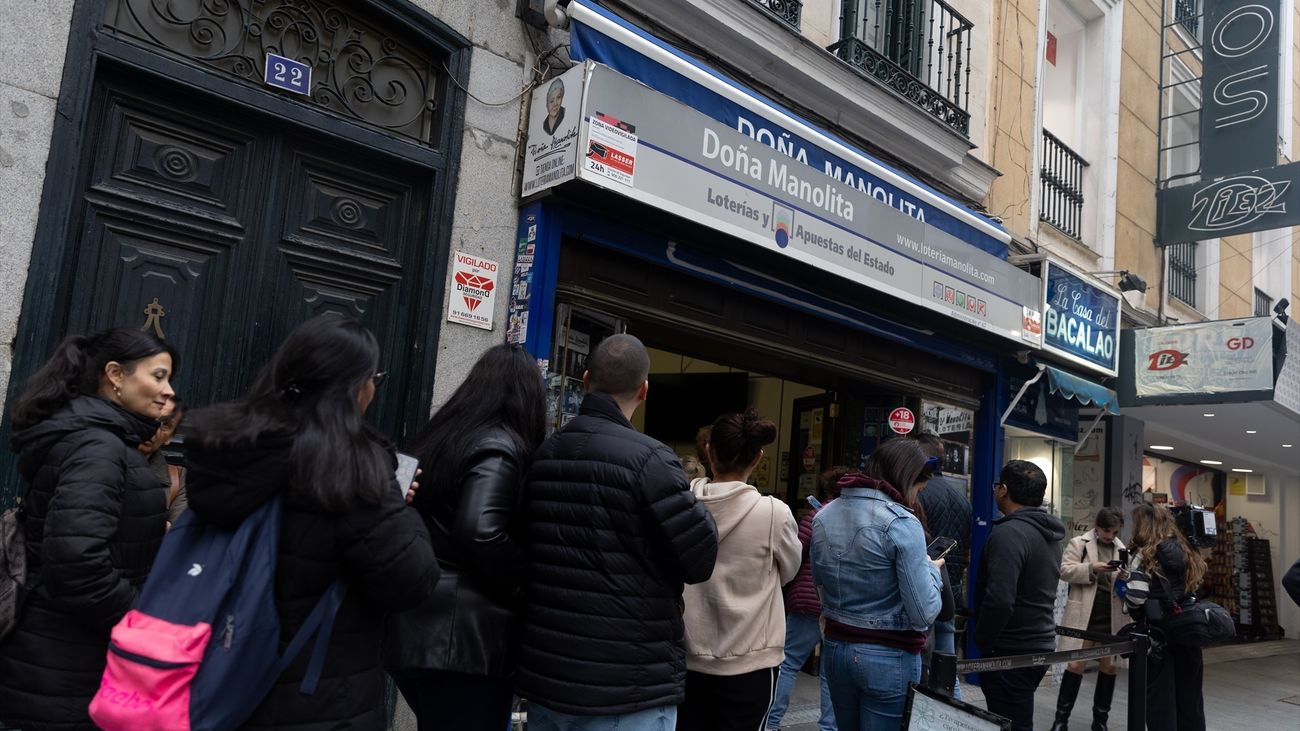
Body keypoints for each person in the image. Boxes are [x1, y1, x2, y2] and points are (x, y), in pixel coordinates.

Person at [184, 313, 439, 730]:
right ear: (354, 387)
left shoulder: (227, 447)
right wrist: (397, 504)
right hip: (320, 697)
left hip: (219, 678)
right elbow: (413, 578)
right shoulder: (353, 469)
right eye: (373, 378)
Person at [515, 334, 719, 731]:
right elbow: (699, 559)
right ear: (644, 390)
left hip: (549, 675)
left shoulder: (545, 453)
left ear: (585, 380)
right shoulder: (652, 460)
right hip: (627, 684)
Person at [0, 328, 176, 730]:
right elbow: (76, 561)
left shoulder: (100, 440)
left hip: (57, 653)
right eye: (159, 376)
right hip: (64, 662)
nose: (169, 391)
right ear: (115, 375)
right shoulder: (99, 447)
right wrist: (140, 619)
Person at [385, 345, 546, 731]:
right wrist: (525, 582)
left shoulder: (440, 438)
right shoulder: (499, 447)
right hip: (462, 639)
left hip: (414, 624)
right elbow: (481, 531)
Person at [678, 409, 801, 731]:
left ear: (709, 451)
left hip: (684, 655)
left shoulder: (682, 506)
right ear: (758, 458)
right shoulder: (773, 514)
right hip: (751, 662)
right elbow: (789, 572)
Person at [812, 439, 944, 730]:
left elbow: (819, 585)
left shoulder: (824, 516)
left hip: (836, 649)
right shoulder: (901, 523)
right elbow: (923, 613)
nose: (915, 498)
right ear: (906, 478)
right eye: (918, 489)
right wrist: (932, 570)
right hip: (889, 655)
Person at [972, 459, 1065, 731]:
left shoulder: (1009, 533)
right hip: (1038, 642)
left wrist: (982, 639)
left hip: (1012, 648)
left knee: (1013, 722)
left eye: (997, 486)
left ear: (1003, 489)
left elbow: (1000, 599)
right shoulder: (1047, 533)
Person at [767, 466, 849, 731]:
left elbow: (794, 555)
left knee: (789, 661)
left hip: (806, 600)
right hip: (838, 604)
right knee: (830, 672)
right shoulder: (854, 521)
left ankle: (771, 722)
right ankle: (829, 728)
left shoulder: (814, 516)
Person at [1123, 502, 1208, 731]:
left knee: (1160, 702)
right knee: (1190, 698)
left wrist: (1124, 588)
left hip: (1158, 637)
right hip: (1187, 631)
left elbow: (1136, 597)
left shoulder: (1145, 553)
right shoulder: (1185, 550)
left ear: (1143, 525)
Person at [1052, 506, 1127, 731]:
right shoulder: (1079, 543)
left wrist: (1125, 576)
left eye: (1115, 532)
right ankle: (1060, 721)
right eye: (1107, 531)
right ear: (1097, 526)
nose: (1111, 536)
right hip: (1086, 615)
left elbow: (1125, 582)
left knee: (1109, 667)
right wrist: (1092, 568)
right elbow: (1064, 571)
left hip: (1111, 616)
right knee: (1075, 664)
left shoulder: (1122, 548)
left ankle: (1100, 722)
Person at [914, 433, 970, 698]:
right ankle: (953, 714)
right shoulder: (962, 499)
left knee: (921, 668)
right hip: (951, 593)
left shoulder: (918, 494)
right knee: (947, 671)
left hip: (923, 593)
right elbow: (966, 553)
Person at [138, 397, 187, 526]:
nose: (154, 429)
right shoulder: (104, 460)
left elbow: (178, 531)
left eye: (165, 424)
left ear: (170, 437)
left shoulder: (177, 477)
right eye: (149, 418)